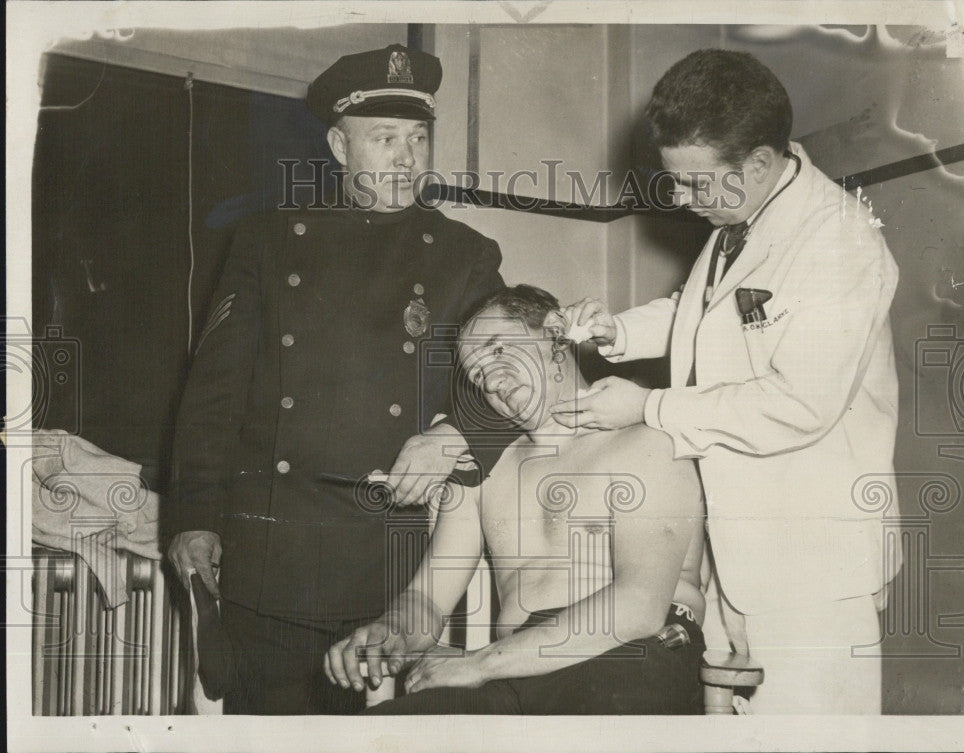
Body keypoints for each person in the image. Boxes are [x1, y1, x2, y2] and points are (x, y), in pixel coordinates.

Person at [553, 50, 901, 714]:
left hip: (811, 566)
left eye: (695, 184)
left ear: (761, 164)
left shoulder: (838, 243)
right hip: (738, 553)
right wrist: (614, 333)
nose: (681, 200)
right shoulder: (740, 217)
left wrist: (649, 405)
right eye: (674, 181)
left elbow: (800, 404)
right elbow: (704, 315)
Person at [166, 44, 505, 714]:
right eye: (384, 140)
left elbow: (517, 376)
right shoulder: (265, 240)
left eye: (417, 139)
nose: (407, 160)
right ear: (338, 147)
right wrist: (194, 516)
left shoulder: (466, 255)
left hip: (392, 565)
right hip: (276, 559)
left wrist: (456, 435)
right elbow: (214, 394)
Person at [325, 285, 707, 714]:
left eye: (500, 350)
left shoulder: (647, 442)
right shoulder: (483, 472)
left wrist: (480, 663)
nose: (492, 380)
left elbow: (639, 606)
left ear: (555, 334)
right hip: (516, 667)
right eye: (477, 375)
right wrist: (390, 630)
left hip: (630, 656)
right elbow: (429, 599)